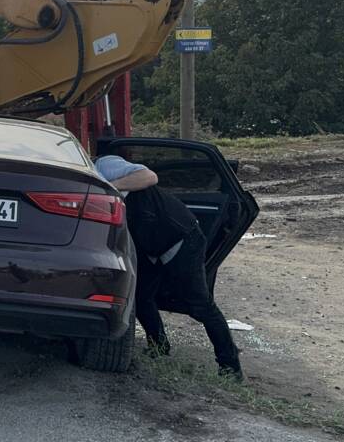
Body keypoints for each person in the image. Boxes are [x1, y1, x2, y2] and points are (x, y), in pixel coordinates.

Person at [95, 154, 243, 381]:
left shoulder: (105, 165)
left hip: (182, 239)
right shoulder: (82, 187)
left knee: (201, 306)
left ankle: (230, 367)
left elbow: (149, 176)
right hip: (151, 246)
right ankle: (159, 347)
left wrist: (110, 188)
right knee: (140, 297)